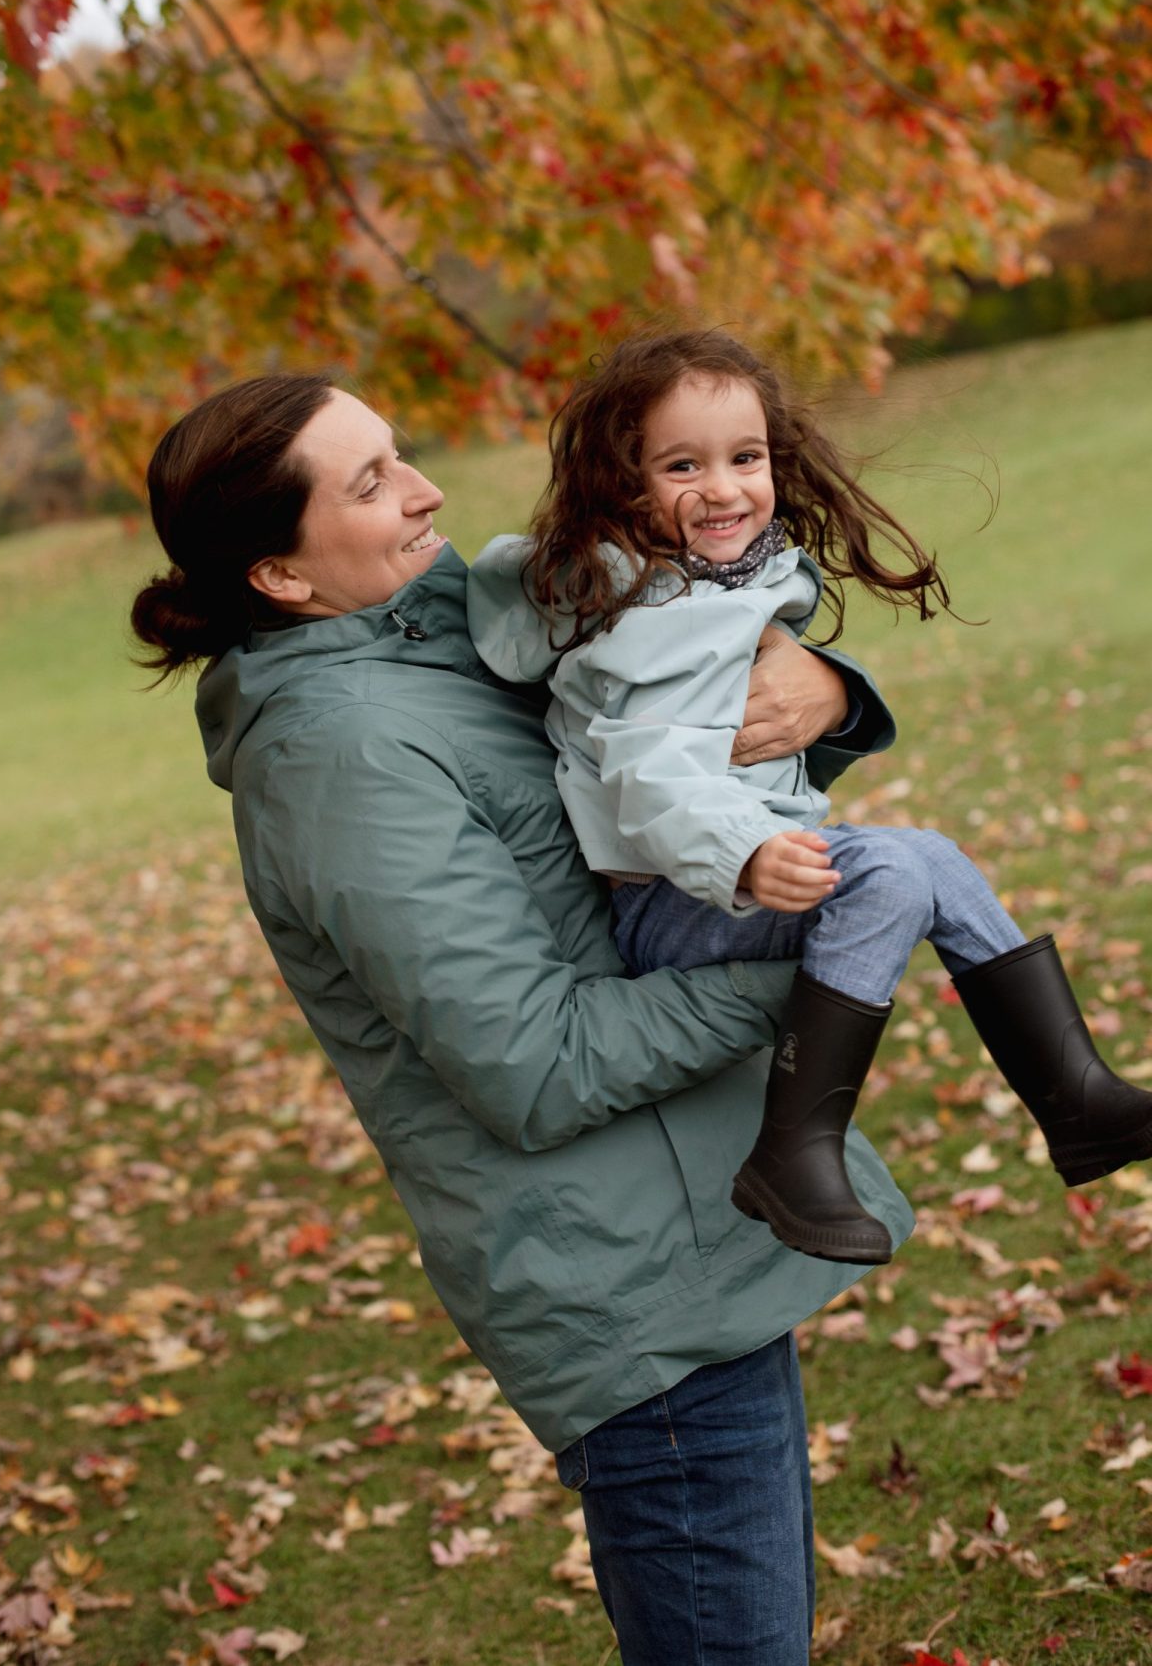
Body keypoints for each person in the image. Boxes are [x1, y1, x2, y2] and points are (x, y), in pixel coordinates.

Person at [132, 370, 912, 1666]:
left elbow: (662, 722)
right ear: (278, 573)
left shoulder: (444, 629)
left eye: (402, 453)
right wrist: (829, 968)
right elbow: (532, 1063)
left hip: (690, 1227)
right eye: (371, 480)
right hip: (621, 1286)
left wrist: (823, 689)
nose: (426, 489)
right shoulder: (340, 753)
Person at [467, 328, 1152, 1271]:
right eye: (681, 464)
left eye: (745, 457)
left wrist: (817, 699)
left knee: (930, 860)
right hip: (675, 902)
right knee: (894, 871)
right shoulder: (648, 617)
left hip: (715, 882)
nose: (724, 486)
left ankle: (1072, 1097)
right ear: (623, 482)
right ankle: (796, 1149)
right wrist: (743, 850)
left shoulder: (712, 583)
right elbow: (645, 770)